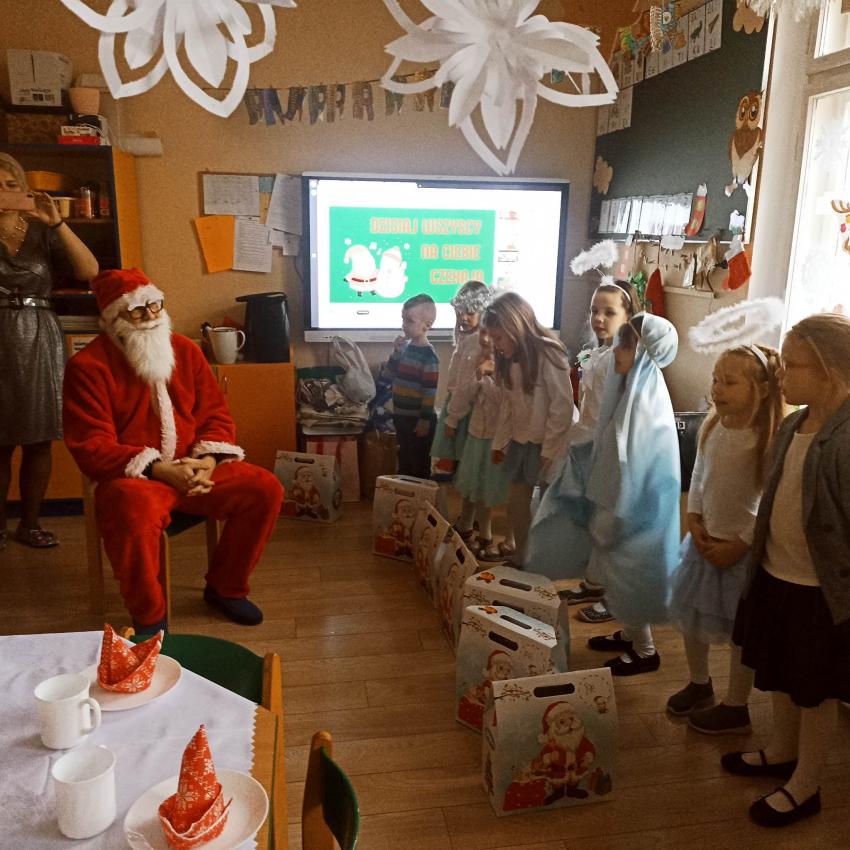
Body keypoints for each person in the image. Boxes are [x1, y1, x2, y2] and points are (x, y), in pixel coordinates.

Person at [62, 268, 283, 634]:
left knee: (264, 489)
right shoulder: (87, 367)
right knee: (132, 511)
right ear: (113, 318)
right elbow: (92, 446)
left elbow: (215, 415)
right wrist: (159, 469)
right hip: (135, 478)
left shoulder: (186, 351)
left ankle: (225, 588)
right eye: (137, 310)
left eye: (155, 304)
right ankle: (150, 616)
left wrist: (207, 461)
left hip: (194, 467)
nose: (150, 315)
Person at [721, 313, 850, 828]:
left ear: (830, 372)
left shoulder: (845, 439)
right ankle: (781, 751)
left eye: (793, 366)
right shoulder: (795, 424)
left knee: (813, 690)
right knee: (779, 673)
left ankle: (807, 782)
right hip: (776, 574)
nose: (781, 375)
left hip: (819, 592)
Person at [528, 314, 681, 675]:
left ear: (645, 352)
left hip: (636, 513)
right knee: (617, 578)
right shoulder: (629, 387)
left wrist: (614, 515)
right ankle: (630, 635)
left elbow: (634, 465)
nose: (617, 351)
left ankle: (645, 651)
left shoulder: (644, 402)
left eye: (626, 345)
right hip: (619, 505)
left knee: (631, 581)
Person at [666, 344, 786, 733]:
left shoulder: (768, 438)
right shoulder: (714, 425)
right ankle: (699, 682)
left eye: (729, 382)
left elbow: (770, 500)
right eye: (715, 380)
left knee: (741, 632)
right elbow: (699, 474)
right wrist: (694, 517)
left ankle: (737, 703)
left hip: (743, 553)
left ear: (762, 389)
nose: (717, 389)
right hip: (705, 543)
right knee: (692, 616)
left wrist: (742, 543)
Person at [0, 153, 99, 550]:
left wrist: (57, 222)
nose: (4, 193)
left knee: (39, 438)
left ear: (25, 189)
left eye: (11, 185)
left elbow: (89, 271)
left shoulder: (42, 229)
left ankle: (30, 524)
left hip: (39, 335)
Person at [558, 280, 640, 623]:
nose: (599, 318)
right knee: (594, 520)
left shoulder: (625, 360)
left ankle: (614, 595)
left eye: (609, 312)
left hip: (613, 453)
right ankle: (594, 582)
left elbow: (625, 412)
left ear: (628, 316)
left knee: (611, 526)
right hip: (589, 445)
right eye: (594, 311)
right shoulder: (598, 353)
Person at [484, 292, 575, 565]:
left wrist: (550, 449)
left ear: (515, 326)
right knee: (517, 502)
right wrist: (500, 443)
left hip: (549, 442)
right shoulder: (506, 360)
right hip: (521, 440)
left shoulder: (549, 352)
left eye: (498, 337)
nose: (495, 344)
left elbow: (562, 405)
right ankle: (522, 555)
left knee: (549, 505)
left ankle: (546, 560)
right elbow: (508, 406)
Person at [449, 328, 513, 560]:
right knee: (475, 485)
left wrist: (487, 376)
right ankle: (477, 530)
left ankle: (495, 536)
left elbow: (503, 401)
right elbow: (463, 394)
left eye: (491, 336)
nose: (485, 340)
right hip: (477, 433)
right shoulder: (477, 360)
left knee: (490, 488)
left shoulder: (509, 367)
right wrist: (477, 374)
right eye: (483, 334)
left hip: (496, 439)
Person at [431, 279, 488, 488]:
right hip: (458, 406)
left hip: (463, 411)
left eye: (470, 312)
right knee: (457, 468)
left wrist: (452, 418)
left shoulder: (476, 341)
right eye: (460, 311)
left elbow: (466, 385)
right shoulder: (467, 338)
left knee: (456, 467)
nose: (463, 317)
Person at [387, 293, 439, 478]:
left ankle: (419, 495)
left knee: (419, 464)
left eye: (409, 321)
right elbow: (389, 374)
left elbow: (429, 392)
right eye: (403, 319)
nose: (404, 325)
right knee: (404, 460)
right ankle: (403, 493)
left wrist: (424, 420)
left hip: (418, 421)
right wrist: (396, 353)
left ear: (427, 325)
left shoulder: (429, 356)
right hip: (401, 417)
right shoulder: (405, 349)